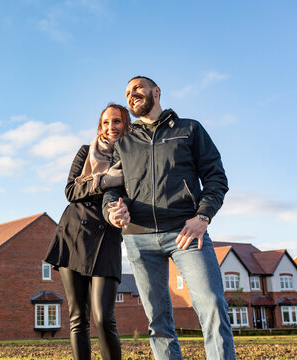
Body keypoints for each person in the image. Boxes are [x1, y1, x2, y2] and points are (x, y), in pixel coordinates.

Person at [103, 76, 235, 360]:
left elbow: (216, 178)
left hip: (186, 232)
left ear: (156, 91)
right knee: (158, 319)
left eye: (137, 88)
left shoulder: (190, 129)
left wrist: (203, 216)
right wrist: (113, 210)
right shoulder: (124, 143)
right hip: (139, 238)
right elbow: (112, 189)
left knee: (212, 304)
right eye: (127, 92)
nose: (131, 94)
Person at [45, 103, 130, 360]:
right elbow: (71, 191)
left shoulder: (134, 155)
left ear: (126, 124)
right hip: (74, 235)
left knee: (104, 318)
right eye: (105, 122)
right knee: (77, 317)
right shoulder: (86, 151)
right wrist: (103, 182)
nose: (110, 127)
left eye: (116, 121)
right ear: (99, 126)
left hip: (108, 237)